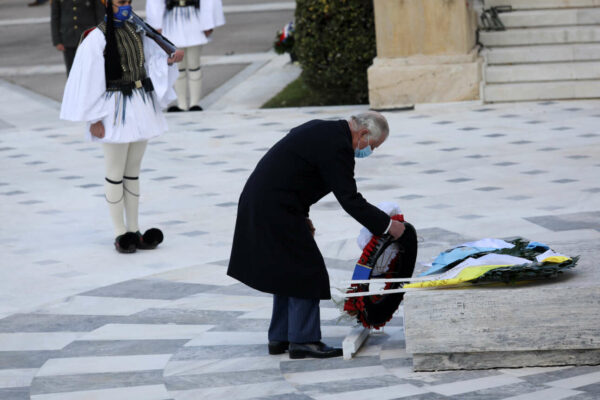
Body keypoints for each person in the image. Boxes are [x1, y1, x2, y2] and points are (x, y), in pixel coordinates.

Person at [227, 112, 406, 359]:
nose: (370, 152)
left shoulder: (323, 130)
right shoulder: (339, 146)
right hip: (276, 207)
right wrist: (387, 225)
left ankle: (281, 337)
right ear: (363, 133)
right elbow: (349, 199)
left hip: (266, 202)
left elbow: (295, 174)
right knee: (308, 270)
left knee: (287, 268)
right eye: (372, 146)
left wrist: (303, 216)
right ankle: (304, 340)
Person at [60, 0, 184, 253]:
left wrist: (169, 61)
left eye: (128, 2)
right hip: (114, 110)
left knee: (133, 172)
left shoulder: (137, 30)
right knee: (115, 173)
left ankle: (134, 229)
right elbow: (90, 78)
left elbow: (149, 63)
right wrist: (94, 118)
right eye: (120, 2)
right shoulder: (96, 38)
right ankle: (120, 232)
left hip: (140, 106)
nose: (125, 6)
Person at [145, 0, 225, 112]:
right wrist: (156, 24)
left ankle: (194, 103)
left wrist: (208, 23)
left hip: (194, 19)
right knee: (178, 67)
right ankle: (181, 104)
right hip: (172, 20)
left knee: (194, 65)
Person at [51, 0, 104, 74]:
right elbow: (55, 17)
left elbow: (100, 15)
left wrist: (101, 36)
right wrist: (57, 40)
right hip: (68, 38)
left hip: (88, 38)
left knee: (90, 70)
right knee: (71, 70)